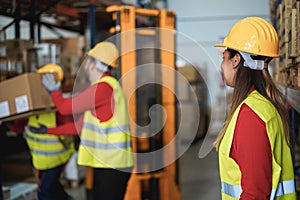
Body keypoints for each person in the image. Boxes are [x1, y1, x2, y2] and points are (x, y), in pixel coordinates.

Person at [28, 41, 134, 200]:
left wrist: (54, 92)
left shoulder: (103, 88)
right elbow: (80, 127)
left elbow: (65, 108)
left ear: (92, 64)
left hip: (113, 166)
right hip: (108, 164)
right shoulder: (105, 87)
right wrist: (48, 130)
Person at [213, 17, 296, 199]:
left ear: (235, 60)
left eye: (224, 57)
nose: (222, 64)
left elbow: (255, 194)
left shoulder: (251, 116)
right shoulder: (262, 106)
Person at [9, 64, 75, 200]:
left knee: (44, 191)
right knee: (54, 188)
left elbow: (71, 129)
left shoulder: (61, 108)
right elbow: (21, 126)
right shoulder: (33, 107)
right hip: (40, 161)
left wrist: (48, 130)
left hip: (57, 159)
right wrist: (9, 123)